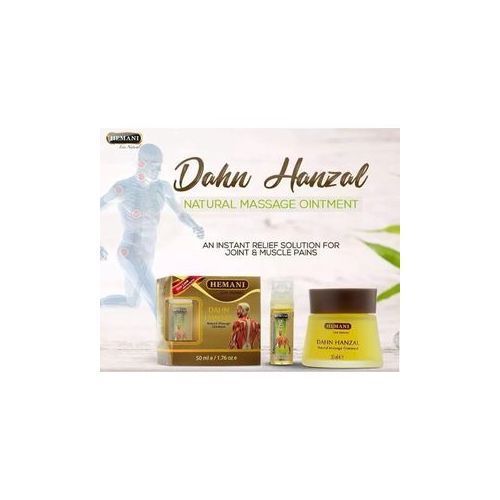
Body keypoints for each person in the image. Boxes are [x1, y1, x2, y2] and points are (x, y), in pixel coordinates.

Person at [100, 144, 204, 315]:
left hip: (148, 254)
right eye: (154, 166)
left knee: (132, 302)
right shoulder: (123, 188)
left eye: (160, 166)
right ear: (141, 164)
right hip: (130, 252)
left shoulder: (163, 188)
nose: (159, 170)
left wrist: (195, 226)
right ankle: (173, 334)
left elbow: (180, 213)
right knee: (158, 302)